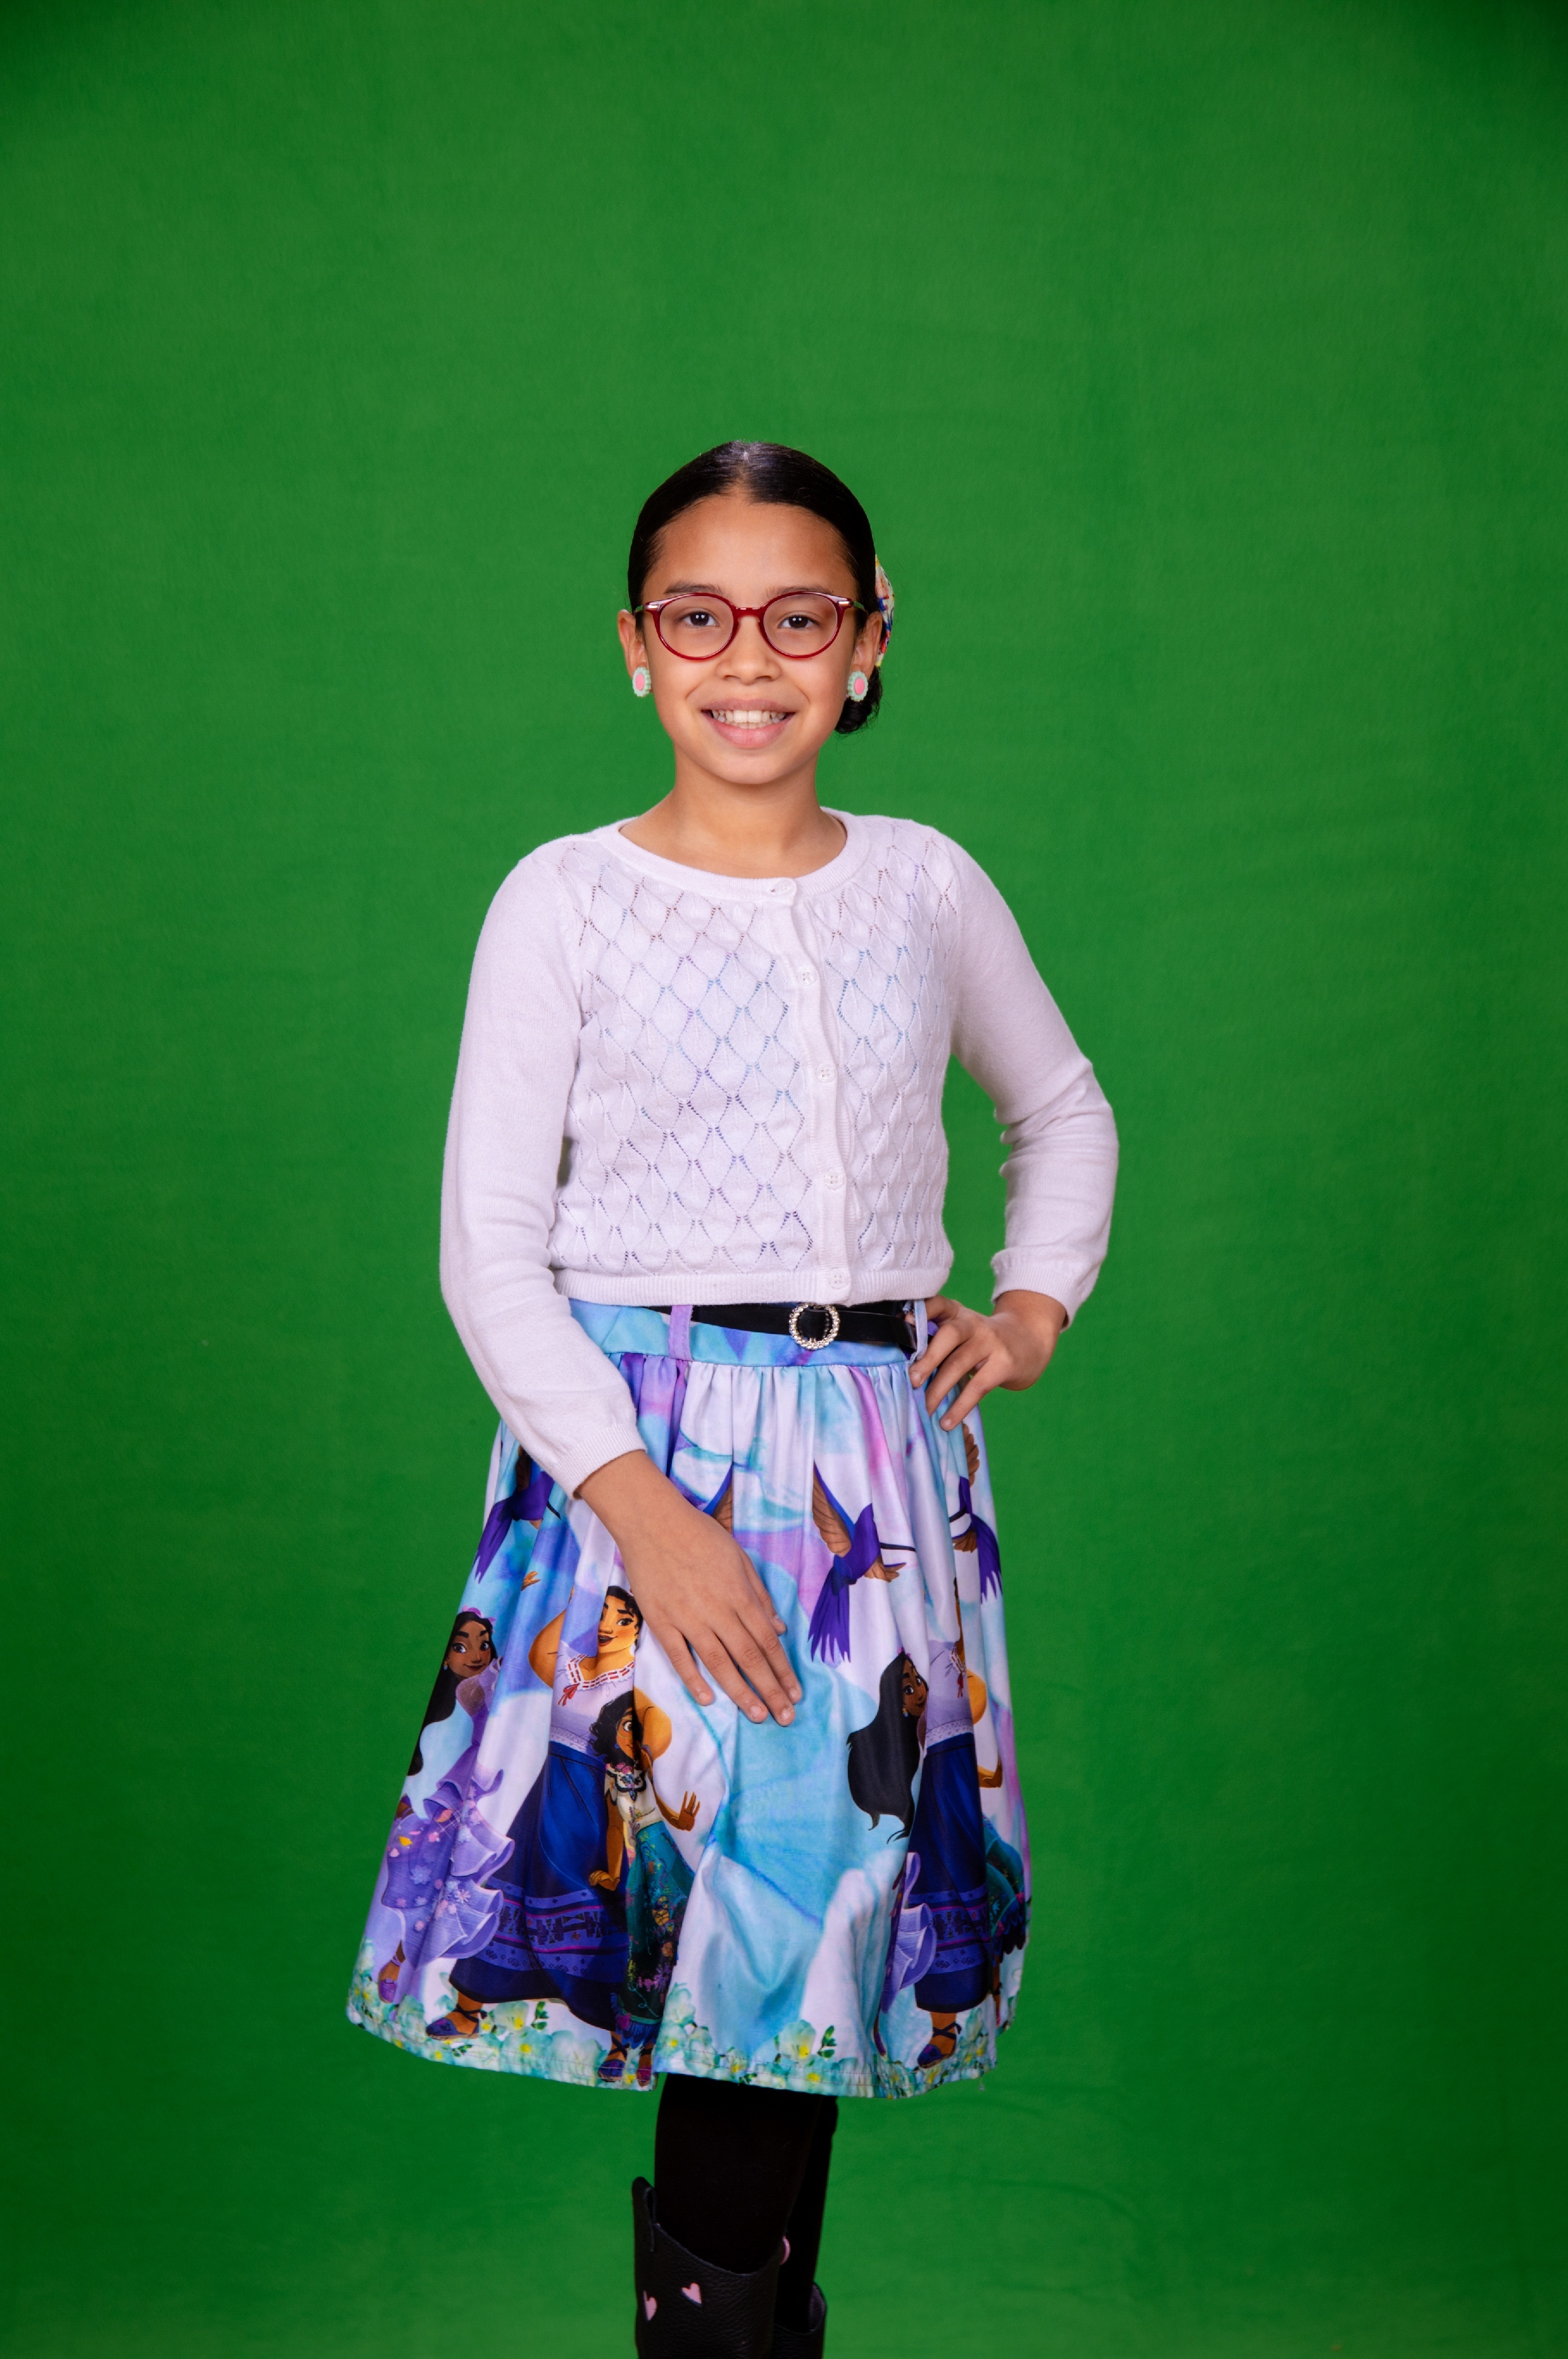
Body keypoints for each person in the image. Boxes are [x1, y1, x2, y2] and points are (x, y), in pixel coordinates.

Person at [346, 440, 1118, 2357]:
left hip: (876, 1470)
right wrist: (646, 1512)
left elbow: (1060, 1108)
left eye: (799, 616)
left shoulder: (925, 886)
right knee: (738, 1946)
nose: (748, 658)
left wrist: (1031, 1306)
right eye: (698, 618)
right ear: (635, 646)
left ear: (869, 643)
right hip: (648, 1465)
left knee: (813, 1967)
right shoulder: (566, 900)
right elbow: (488, 1255)